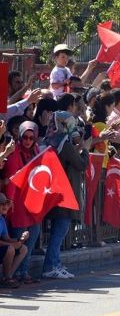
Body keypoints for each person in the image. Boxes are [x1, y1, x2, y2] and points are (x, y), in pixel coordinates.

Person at [42, 111, 89, 279]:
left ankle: (55, 263)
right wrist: (84, 150)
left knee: (58, 230)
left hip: (53, 191)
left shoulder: (48, 140)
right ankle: (51, 265)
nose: (72, 125)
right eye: (68, 122)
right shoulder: (64, 144)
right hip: (64, 192)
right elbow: (81, 164)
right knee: (59, 231)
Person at [3, 121, 42, 284]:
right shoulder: (14, 153)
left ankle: (23, 271)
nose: (27, 140)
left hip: (33, 203)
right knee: (19, 240)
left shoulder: (37, 151)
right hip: (17, 204)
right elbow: (12, 179)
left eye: (31, 137)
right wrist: (10, 201)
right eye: (25, 137)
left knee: (32, 237)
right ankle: (11, 274)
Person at [0, 193, 29, 289]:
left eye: (6, 204)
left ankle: (8, 277)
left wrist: (20, 239)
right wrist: (12, 245)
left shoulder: (2, 220)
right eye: (2, 204)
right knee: (10, 249)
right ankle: (6, 278)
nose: (5, 206)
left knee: (23, 248)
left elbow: (6, 238)